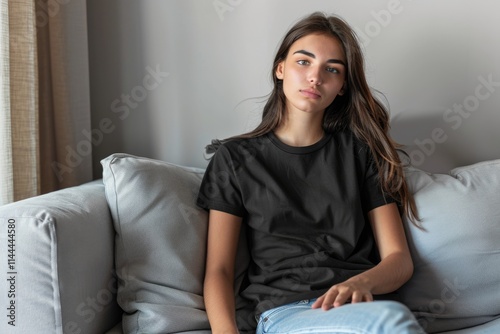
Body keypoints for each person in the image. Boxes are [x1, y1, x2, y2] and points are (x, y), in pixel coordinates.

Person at [196, 11, 424, 334]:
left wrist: (360, 282)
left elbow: (399, 259)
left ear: (342, 86)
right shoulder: (235, 159)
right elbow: (218, 270)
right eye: (304, 62)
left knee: (392, 321)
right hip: (286, 313)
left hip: (364, 309)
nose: (315, 77)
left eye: (332, 69)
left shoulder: (360, 153)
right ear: (280, 68)